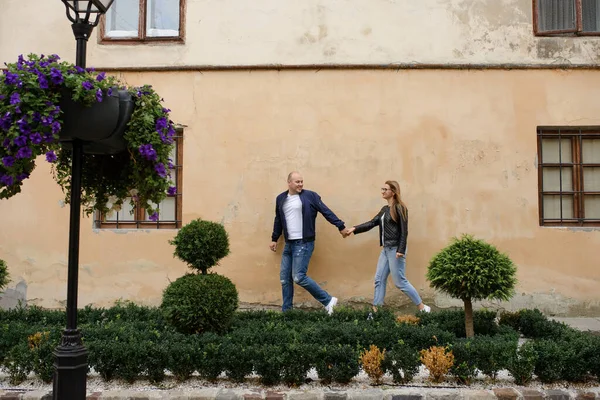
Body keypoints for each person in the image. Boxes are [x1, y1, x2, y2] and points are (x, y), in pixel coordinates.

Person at [345, 180, 430, 313]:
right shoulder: (384, 210)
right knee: (379, 280)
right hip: (386, 249)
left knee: (400, 282)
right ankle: (376, 312)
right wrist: (354, 229)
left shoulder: (400, 208)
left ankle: (422, 307)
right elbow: (372, 223)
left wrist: (401, 250)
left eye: (385, 189)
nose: (382, 191)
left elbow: (404, 231)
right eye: (382, 189)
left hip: (396, 249)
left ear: (393, 192)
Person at [270, 171, 350, 314]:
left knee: (298, 277)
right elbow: (278, 220)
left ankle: (328, 300)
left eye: (302, 181)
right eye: (297, 182)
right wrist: (274, 239)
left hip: (304, 243)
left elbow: (326, 211)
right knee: (284, 278)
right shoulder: (281, 198)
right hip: (289, 243)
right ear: (289, 182)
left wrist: (341, 226)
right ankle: (287, 312)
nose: (301, 184)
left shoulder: (310, 196)